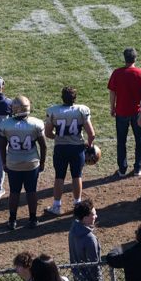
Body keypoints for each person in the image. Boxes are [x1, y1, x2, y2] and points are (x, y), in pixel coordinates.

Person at [45, 86, 96, 215]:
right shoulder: (81, 110)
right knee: (77, 175)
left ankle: (56, 206)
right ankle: (77, 204)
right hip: (77, 148)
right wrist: (89, 146)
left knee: (59, 176)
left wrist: (58, 137)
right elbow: (91, 134)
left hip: (61, 148)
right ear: (75, 98)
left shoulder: (53, 111)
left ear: (62, 97)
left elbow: (48, 133)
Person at [0, 95, 47, 229]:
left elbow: (2, 145)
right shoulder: (36, 123)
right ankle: (33, 218)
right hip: (31, 163)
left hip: (13, 163)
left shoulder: (5, 124)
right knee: (31, 191)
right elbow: (43, 146)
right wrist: (42, 162)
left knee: (14, 192)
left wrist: (4, 162)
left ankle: (12, 220)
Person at [109, 47, 141, 177]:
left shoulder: (117, 73)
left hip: (121, 111)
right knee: (139, 140)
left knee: (121, 141)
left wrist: (112, 107)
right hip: (137, 112)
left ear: (125, 58)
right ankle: (138, 167)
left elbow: (112, 92)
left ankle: (122, 169)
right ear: (135, 58)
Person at [69, 199, 102, 281]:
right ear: (85, 218)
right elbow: (94, 265)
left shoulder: (72, 231)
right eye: (93, 214)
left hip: (78, 277)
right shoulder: (90, 239)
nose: (96, 216)